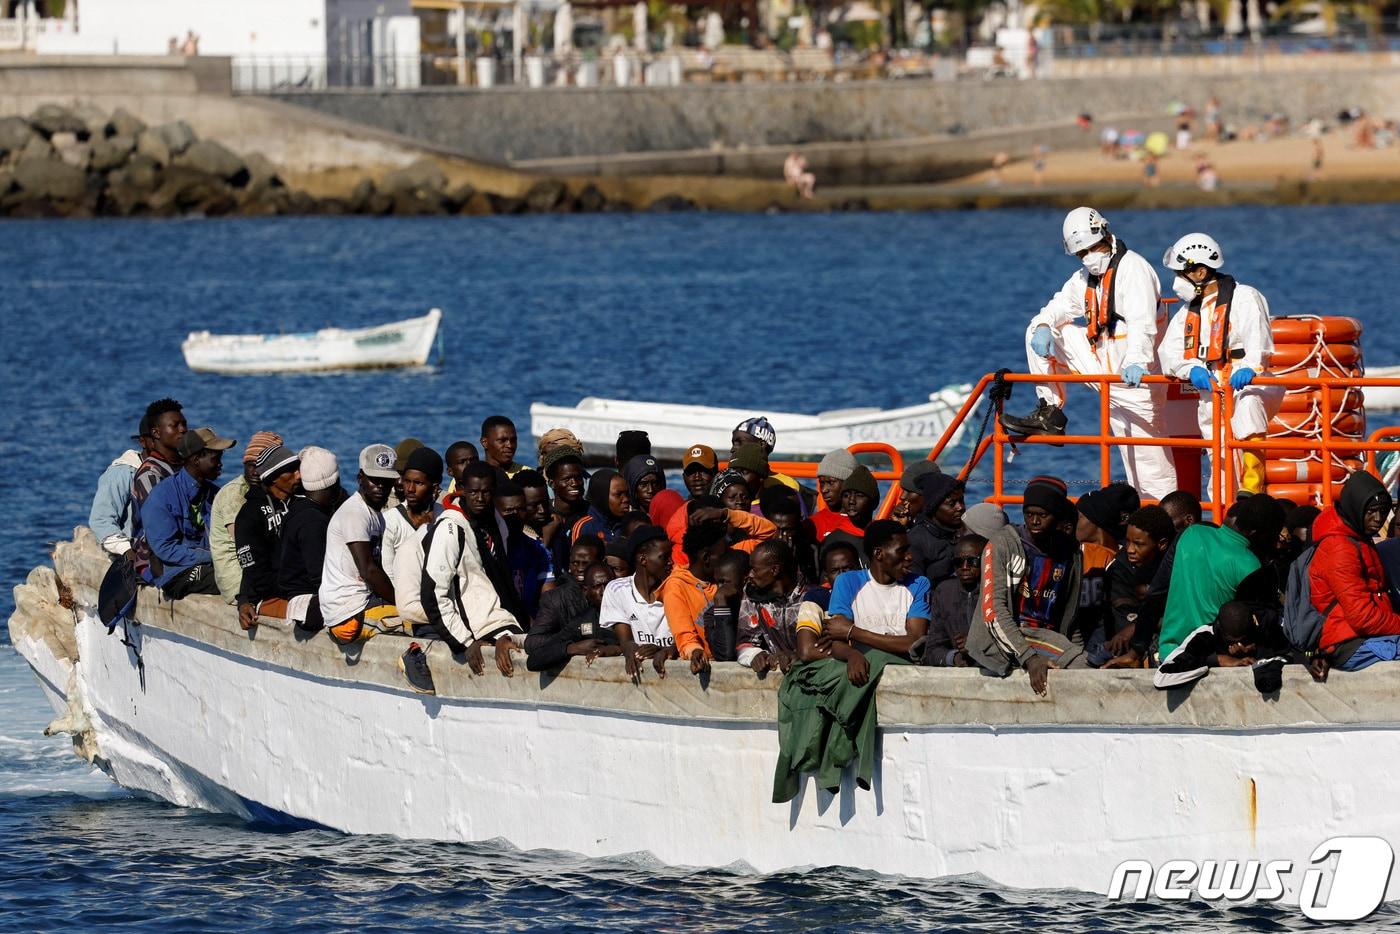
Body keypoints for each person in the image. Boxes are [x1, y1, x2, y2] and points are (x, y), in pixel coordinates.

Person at [1000, 207, 1177, 500]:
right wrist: (1045, 324)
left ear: (1106, 235)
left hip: (1139, 381)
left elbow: (1142, 324)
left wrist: (1136, 361)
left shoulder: (1133, 270)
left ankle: (1170, 527)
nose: (1089, 257)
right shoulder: (1085, 278)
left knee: (1147, 464)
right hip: (1105, 370)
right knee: (1038, 327)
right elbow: (1058, 306)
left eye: (1093, 248)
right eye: (1082, 253)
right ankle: (1049, 410)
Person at [1158, 232, 1283, 494]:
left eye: (1182, 273)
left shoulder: (1245, 297)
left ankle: (1252, 490)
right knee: (1220, 456)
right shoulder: (1187, 313)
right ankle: (1222, 511)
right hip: (1211, 388)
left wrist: (1250, 366)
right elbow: (1168, 353)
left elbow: (1258, 340)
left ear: (1200, 272)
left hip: (1248, 382)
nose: (1177, 281)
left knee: (1249, 408)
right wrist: (1190, 368)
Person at [963, 482, 1088, 695]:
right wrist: (1029, 657)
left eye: (1042, 515)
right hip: (1007, 635)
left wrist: (1076, 650)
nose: (1035, 522)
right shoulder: (1003, 544)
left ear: (1057, 516)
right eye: (1029, 515)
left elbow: (1071, 613)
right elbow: (993, 611)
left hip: (1048, 636)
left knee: (1085, 663)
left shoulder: (1071, 553)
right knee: (1081, 665)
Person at [416, 461, 527, 684]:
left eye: (486, 492)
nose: (479, 498)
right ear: (462, 490)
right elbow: (433, 595)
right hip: (476, 628)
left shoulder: (495, 520)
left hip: (503, 620)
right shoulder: (450, 529)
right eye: (473, 492)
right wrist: (465, 642)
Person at [1158, 493, 1285, 661]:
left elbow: (1156, 591)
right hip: (1209, 657)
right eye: (1274, 534)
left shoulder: (1192, 533)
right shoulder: (1250, 565)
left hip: (1168, 652)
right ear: (1256, 533)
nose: (1276, 541)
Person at [1310, 471, 1400, 671]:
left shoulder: (1357, 536)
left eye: (1383, 511)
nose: (1378, 519)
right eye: (1371, 511)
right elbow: (1363, 617)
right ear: (1355, 508)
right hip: (1350, 644)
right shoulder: (1340, 548)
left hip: (1364, 637)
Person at [141, 427, 236, 598]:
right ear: (196, 459)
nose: (221, 464)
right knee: (231, 580)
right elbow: (165, 549)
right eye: (216, 458)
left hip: (212, 563)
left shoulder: (216, 494)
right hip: (175, 573)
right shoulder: (161, 496)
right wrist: (214, 557)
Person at [320, 444, 401, 644]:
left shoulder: (376, 516)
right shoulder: (355, 514)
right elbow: (369, 571)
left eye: (386, 481)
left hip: (362, 601)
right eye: (374, 480)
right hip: (347, 613)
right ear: (360, 479)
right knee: (412, 623)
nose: (380, 486)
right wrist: (402, 603)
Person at [822, 520, 930, 660]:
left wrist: (853, 632)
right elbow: (837, 638)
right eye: (902, 550)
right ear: (879, 553)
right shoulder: (847, 582)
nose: (909, 557)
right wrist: (853, 655)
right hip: (861, 663)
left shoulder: (919, 584)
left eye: (908, 550)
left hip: (903, 665)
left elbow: (915, 642)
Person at [278, 446, 345, 632]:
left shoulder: (299, 509)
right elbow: (320, 576)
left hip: (302, 598)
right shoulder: (313, 521)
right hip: (306, 604)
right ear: (335, 482)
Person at [233, 444, 300, 630]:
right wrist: (245, 599)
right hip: (272, 594)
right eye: (291, 471)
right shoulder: (249, 516)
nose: (298, 475)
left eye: (298, 469)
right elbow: (254, 572)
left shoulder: (299, 501)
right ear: (273, 477)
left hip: (299, 585)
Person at [212, 431, 283, 604]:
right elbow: (244, 543)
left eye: (261, 465)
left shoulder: (270, 490)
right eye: (250, 465)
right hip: (239, 580)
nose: (255, 472)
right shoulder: (235, 494)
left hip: (259, 571)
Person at [1101, 505, 1174, 668]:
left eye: (1138, 544)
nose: (1130, 550)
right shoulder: (1120, 568)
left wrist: (1137, 627)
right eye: (1128, 541)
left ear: (1161, 544)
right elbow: (1122, 627)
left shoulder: (1179, 566)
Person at [600, 525, 675, 682]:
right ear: (643, 559)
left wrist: (666, 650)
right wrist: (630, 650)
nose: (671, 562)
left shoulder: (678, 588)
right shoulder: (617, 590)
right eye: (664, 557)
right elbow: (626, 641)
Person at [1074, 482, 1140, 660]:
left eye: (1079, 517)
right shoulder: (1126, 557)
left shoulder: (1121, 563)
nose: (1073, 523)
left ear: (1096, 523)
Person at [130, 398, 187, 580]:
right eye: (175, 425)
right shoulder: (150, 474)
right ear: (156, 433)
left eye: (184, 424)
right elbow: (158, 528)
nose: (183, 430)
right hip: (154, 558)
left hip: (185, 547)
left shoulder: (184, 464)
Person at [525, 563, 619, 671]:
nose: (604, 591)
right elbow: (534, 660)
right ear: (585, 591)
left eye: (608, 585)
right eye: (596, 586)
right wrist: (573, 648)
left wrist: (617, 649)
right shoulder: (583, 622)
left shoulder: (632, 609)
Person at [662, 522, 728, 675]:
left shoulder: (725, 578)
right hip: (708, 668)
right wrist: (695, 652)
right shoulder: (676, 586)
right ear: (706, 558)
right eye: (724, 555)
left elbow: (768, 531)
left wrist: (726, 515)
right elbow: (684, 634)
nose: (728, 559)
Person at [736, 540, 807, 673]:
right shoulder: (752, 594)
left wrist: (800, 656)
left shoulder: (811, 596)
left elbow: (824, 645)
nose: (750, 575)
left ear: (774, 570)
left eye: (755, 569)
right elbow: (745, 642)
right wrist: (755, 655)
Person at [382, 446, 443, 593]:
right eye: (407, 481)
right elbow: (388, 572)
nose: (410, 489)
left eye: (418, 483)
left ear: (434, 488)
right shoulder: (390, 521)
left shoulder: (444, 516)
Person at [496, 478, 555, 621]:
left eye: (520, 509)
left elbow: (549, 597)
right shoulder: (489, 550)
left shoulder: (538, 550)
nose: (515, 515)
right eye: (509, 510)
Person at [90, 417, 148, 560]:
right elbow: (101, 521)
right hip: (132, 559)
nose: (181, 431)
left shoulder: (176, 472)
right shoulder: (123, 473)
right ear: (145, 441)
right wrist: (127, 550)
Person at [922, 533, 984, 667]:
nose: (965, 567)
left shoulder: (998, 590)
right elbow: (932, 649)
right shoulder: (944, 592)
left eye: (973, 561)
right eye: (958, 562)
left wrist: (978, 643)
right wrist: (954, 657)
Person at [906, 472, 965, 589]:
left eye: (961, 501)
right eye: (952, 503)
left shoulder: (962, 531)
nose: (960, 507)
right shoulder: (916, 540)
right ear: (934, 507)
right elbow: (914, 589)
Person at [542, 443, 589, 574]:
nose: (574, 483)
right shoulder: (543, 514)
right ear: (552, 483)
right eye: (567, 479)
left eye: (578, 477)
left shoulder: (591, 513)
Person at [760, 486, 817, 586]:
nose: (782, 536)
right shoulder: (757, 552)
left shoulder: (810, 552)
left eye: (788, 530)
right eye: (777, 529)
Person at [570, 468, 631, 547]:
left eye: (627, 494)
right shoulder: (585, 527)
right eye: (618, 495)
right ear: (602, 496)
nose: (626, 499)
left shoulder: (629, 524)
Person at [707, 549, 749, 661]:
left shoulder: (760, 608)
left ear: (745, 580)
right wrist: (721, 603)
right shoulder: (712, 614)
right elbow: (725, 654)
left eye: (724, 582)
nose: (719, 588)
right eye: (717, 582)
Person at [815, 448, 856, 514]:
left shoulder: (864, 523)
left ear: (848, 482)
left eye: (831, 482)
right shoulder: (813, 523)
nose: (823, 490)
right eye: (821, 483)